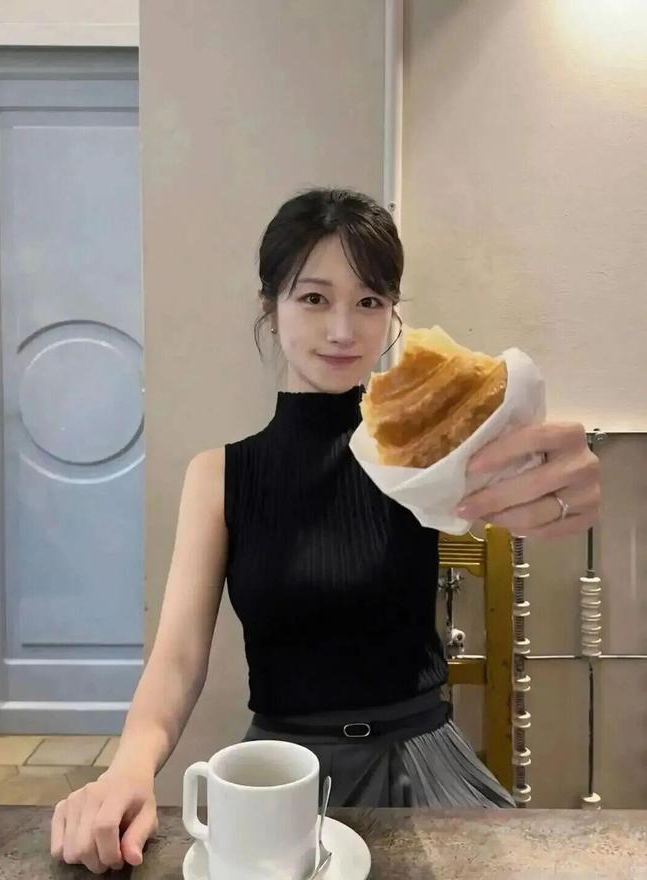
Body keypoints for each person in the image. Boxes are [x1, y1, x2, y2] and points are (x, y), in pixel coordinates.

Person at [50, 187, 601, 873]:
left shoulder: (431, 455)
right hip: (278, 778)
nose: (343, 331)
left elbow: (536, 476)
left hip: (424, 764)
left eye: (369, 301)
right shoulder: (218, 476)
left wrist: (565, 493)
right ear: (271, 305)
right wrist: (128, 766)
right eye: (314, 298)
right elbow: (179, 657)